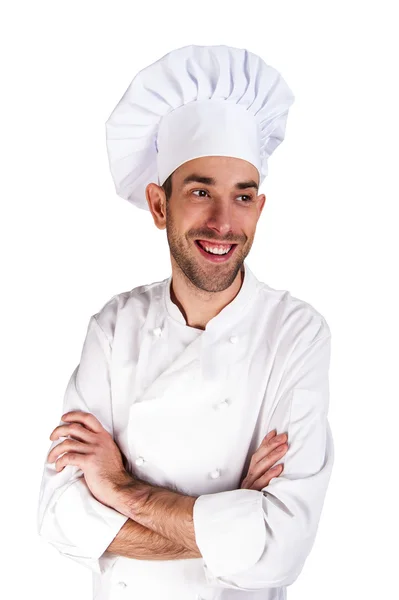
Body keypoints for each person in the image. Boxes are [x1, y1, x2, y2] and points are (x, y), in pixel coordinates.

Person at [37, 44, 334, 600]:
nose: (224, 223)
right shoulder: (113, 327)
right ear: (158, 205)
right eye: (200, 192)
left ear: (259, 209)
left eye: (242, 197)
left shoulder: (295, 333)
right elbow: (59, 517)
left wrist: (120, 489)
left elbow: (282, 550)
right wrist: (227, 522)